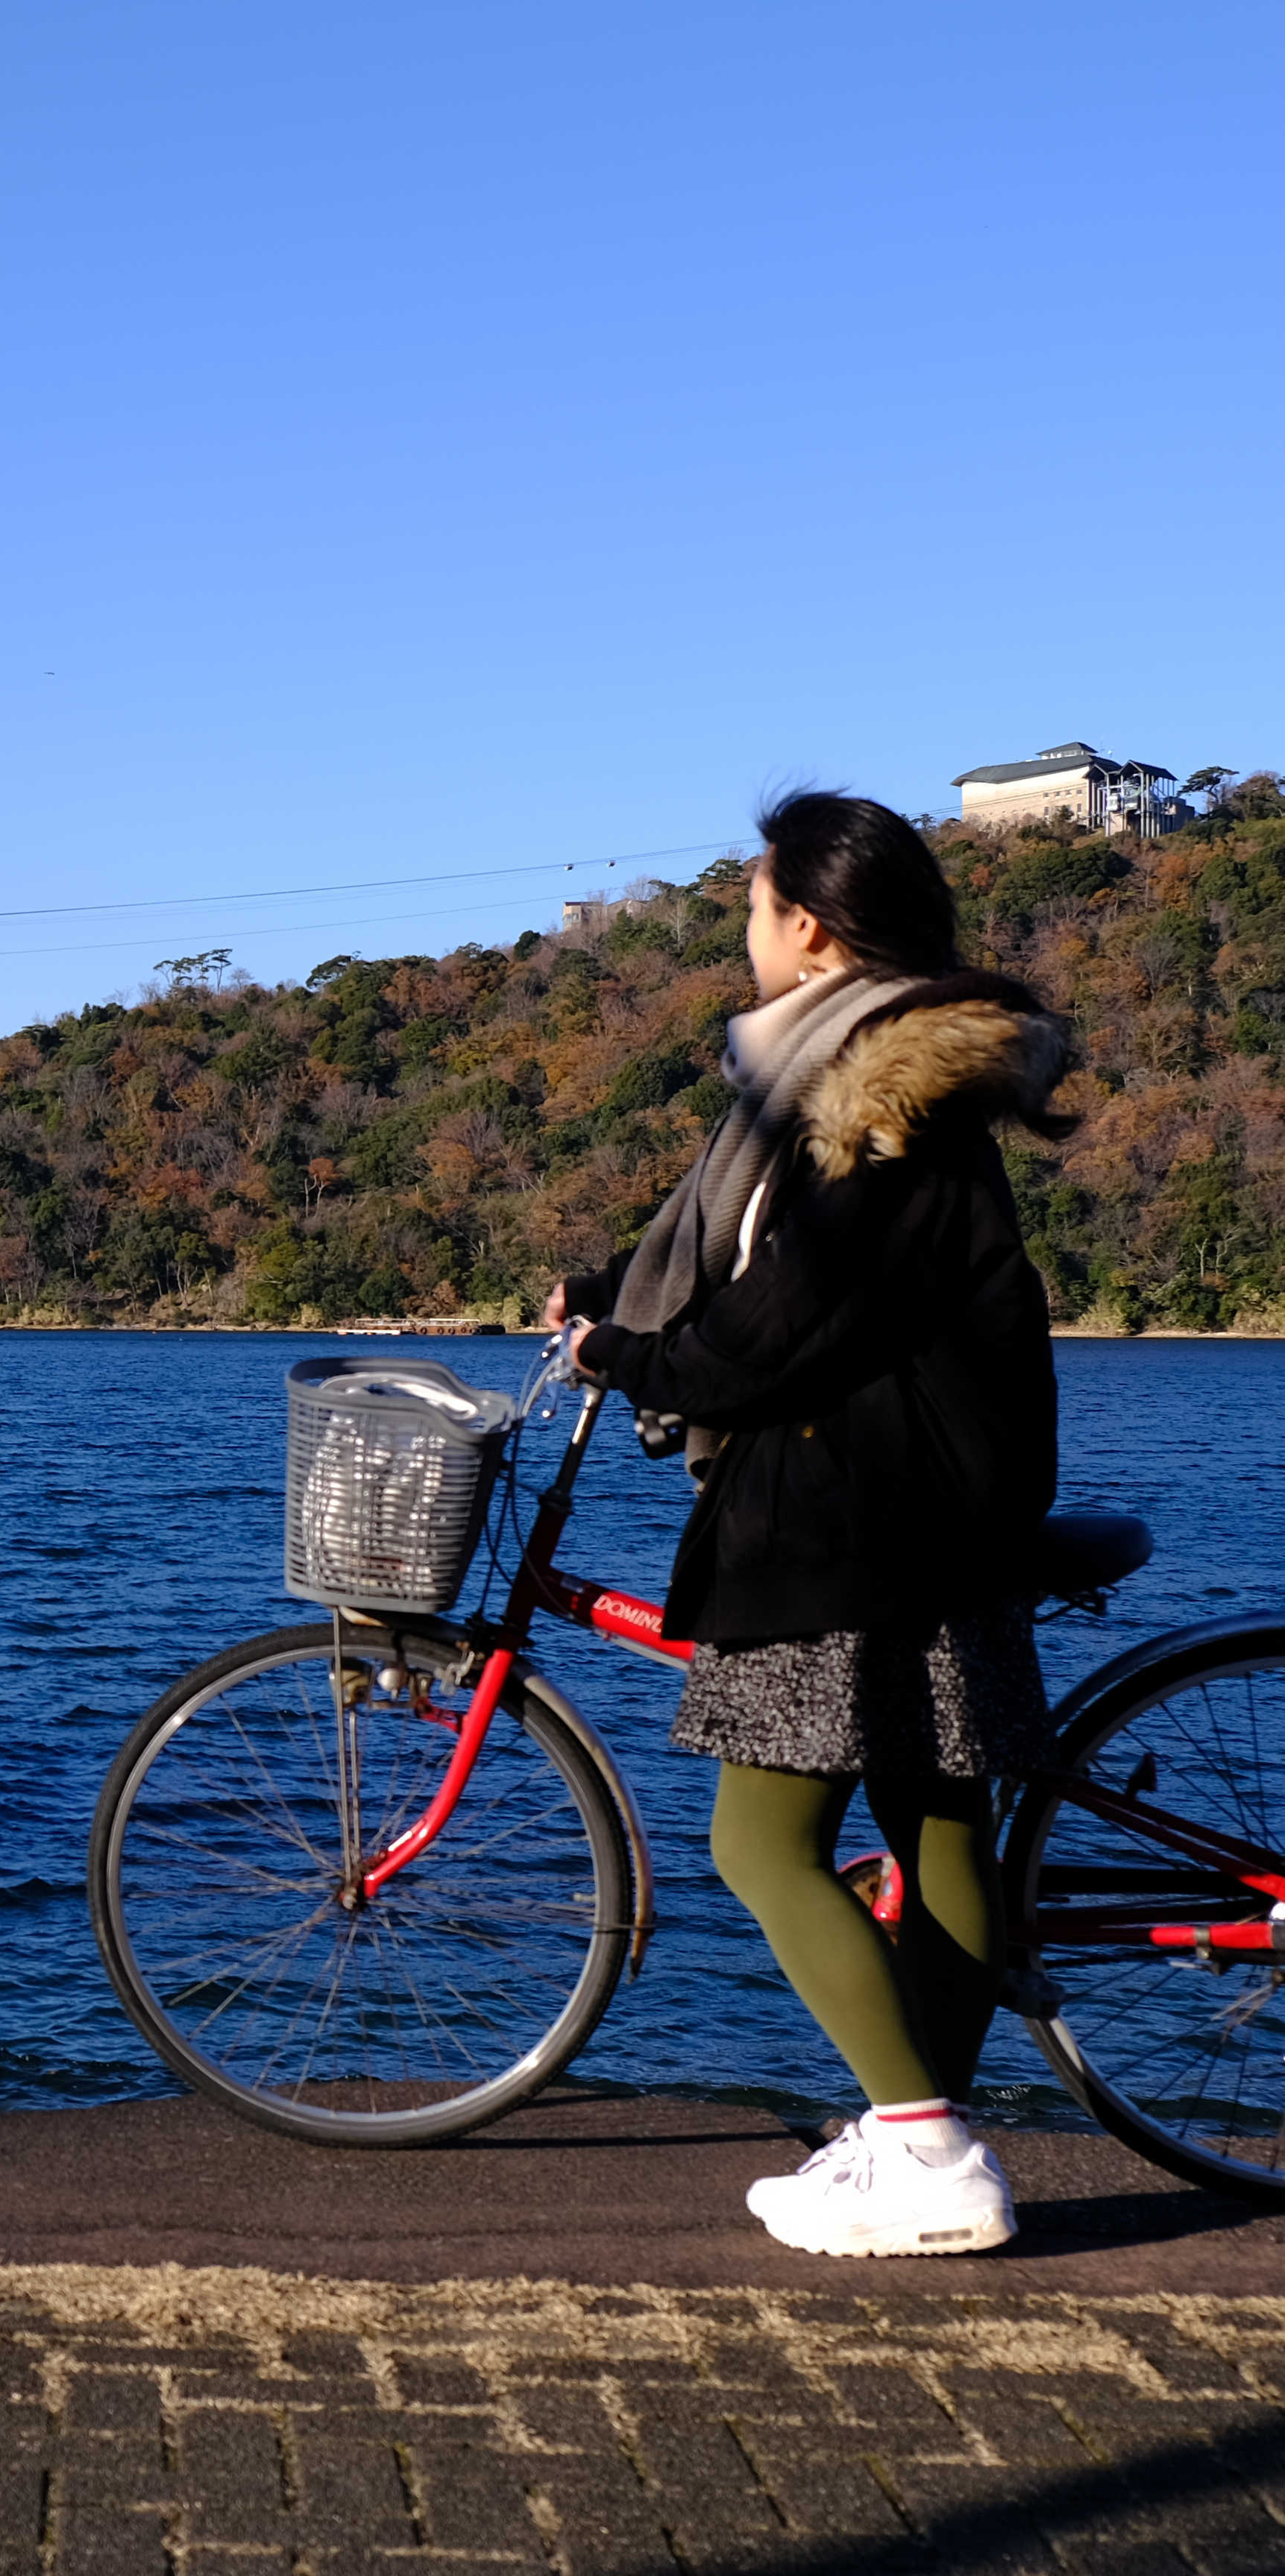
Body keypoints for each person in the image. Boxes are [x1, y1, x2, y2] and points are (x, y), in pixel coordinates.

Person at [544, 791, 1072, 2258]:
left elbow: (778, 1329)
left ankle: (927, 2143)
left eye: (758, 906)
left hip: (858, 1522)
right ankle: (923, 2132)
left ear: (814, 929)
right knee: (937, 1823)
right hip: (930, 1511)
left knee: (758, 1843)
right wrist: (621, 1306)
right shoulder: (890, 1087)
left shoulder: (879, 1111)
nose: (747, 932)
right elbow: (760, 1275)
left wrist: (627, 1357)